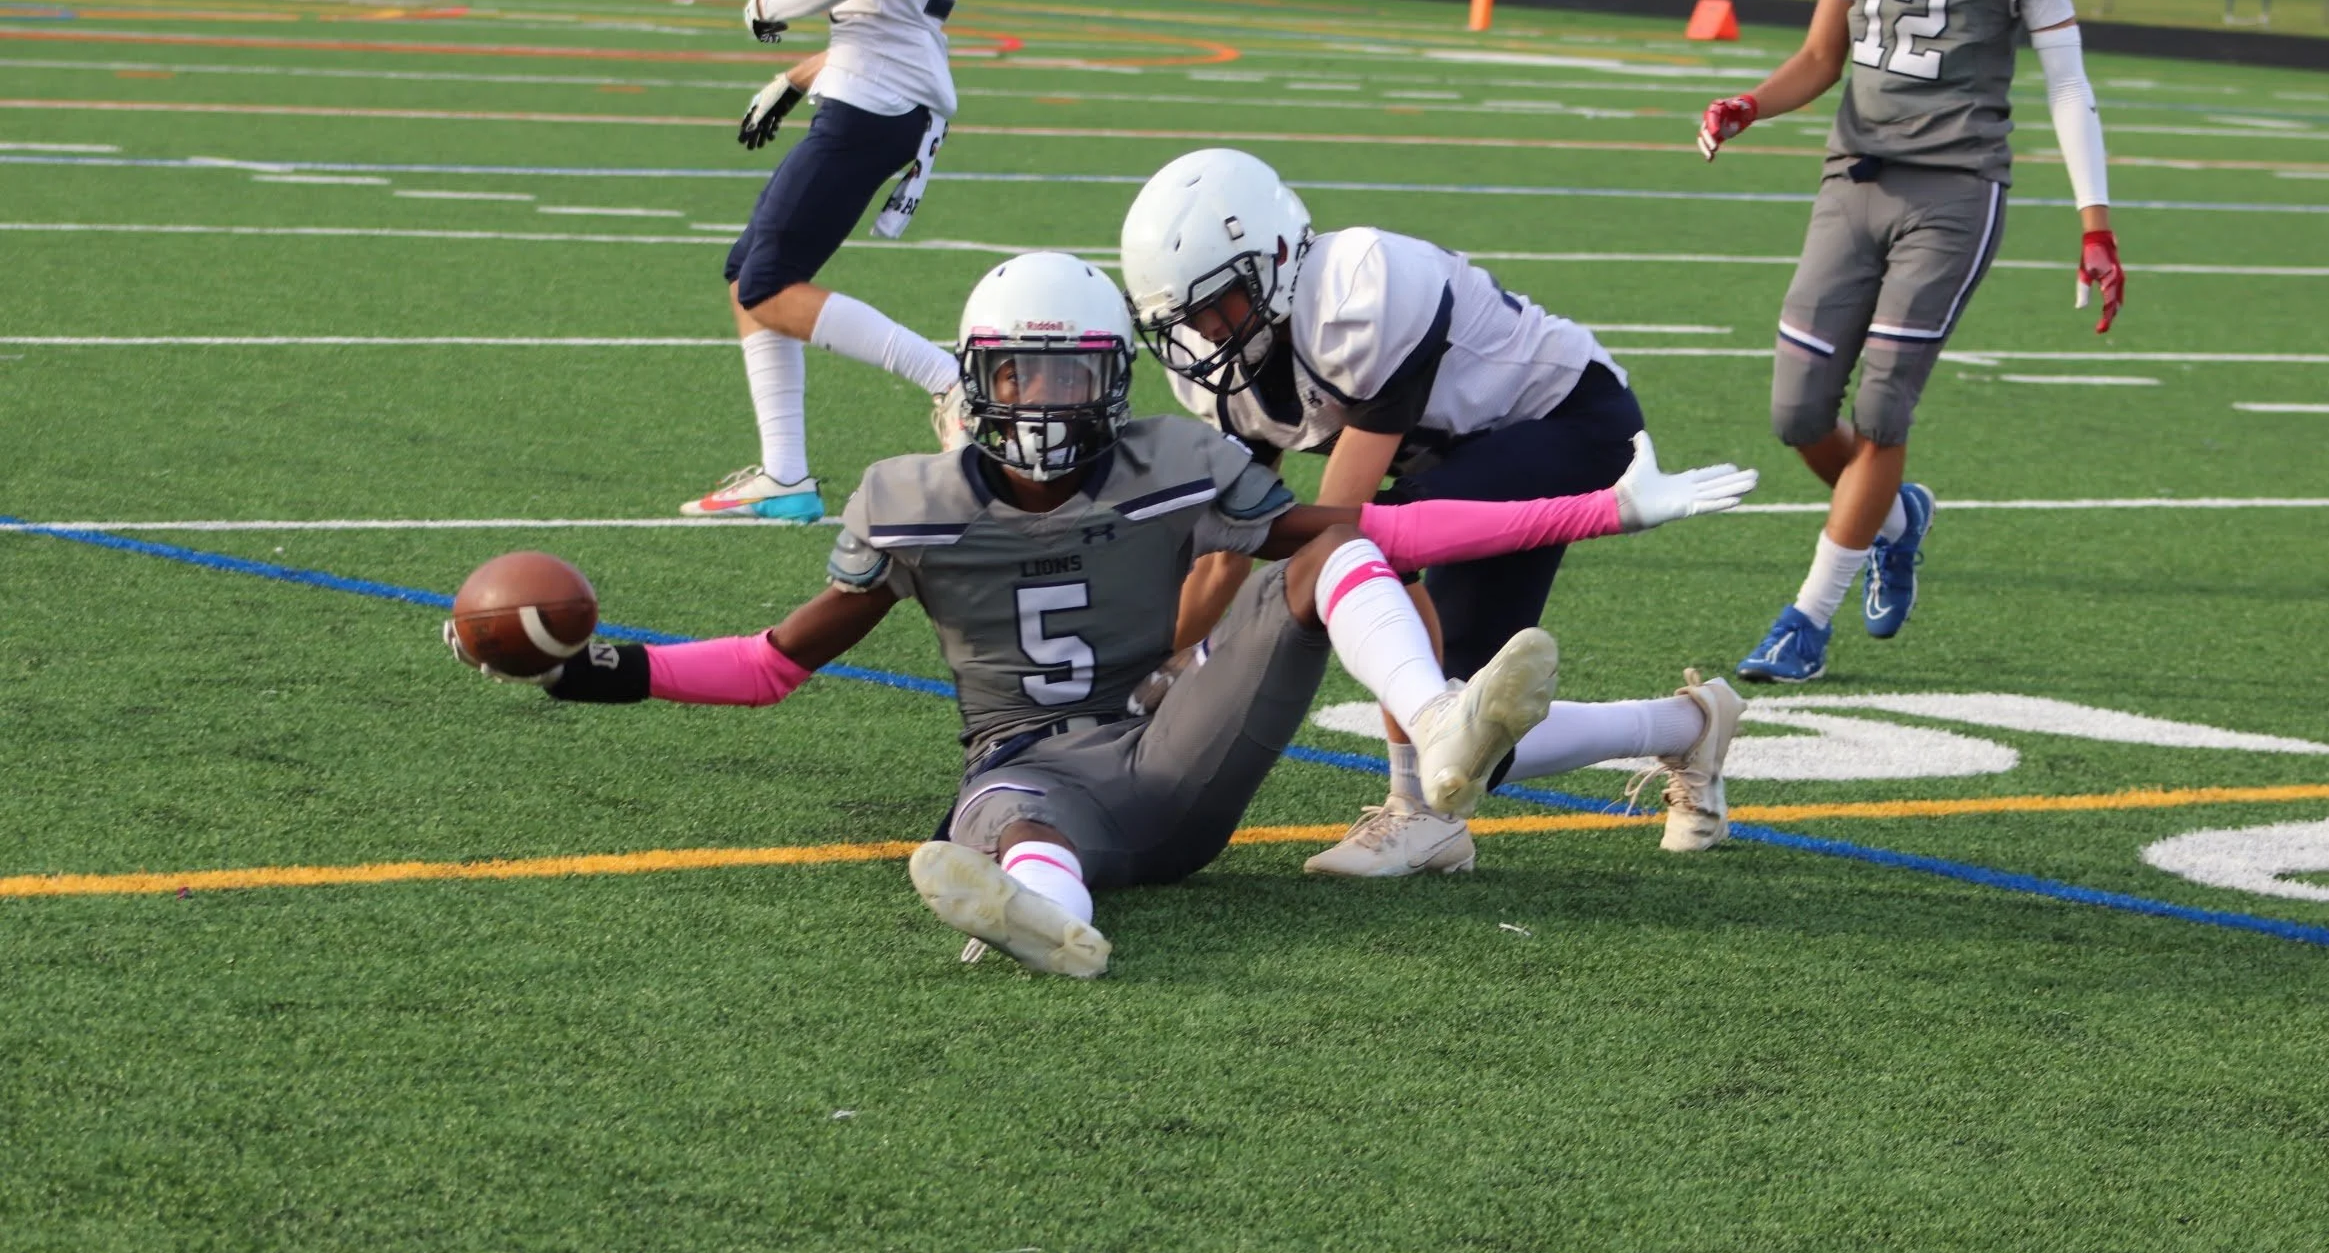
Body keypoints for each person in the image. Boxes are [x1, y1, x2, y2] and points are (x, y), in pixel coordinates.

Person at [450, 254, 1757, 977]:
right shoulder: (909, 503)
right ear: (974, 380)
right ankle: (1048, 923)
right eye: (1017, 373)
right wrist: (599, 671)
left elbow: (1386, 530)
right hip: (1040, 774)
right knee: (1011, 817)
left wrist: (1597, 510)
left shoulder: (1164, 469)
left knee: (1317, 558)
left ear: (1110, 380)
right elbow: (774, 663)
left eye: (1061, 375)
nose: (1037, 399)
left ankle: (1441, 723)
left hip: (1177, 744)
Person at [1117, 148, 1756, 880]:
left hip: (1567, 425)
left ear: (1281, 254)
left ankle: (1418, 816)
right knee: (1470, 727)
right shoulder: (1227, 365)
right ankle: (1689, 726)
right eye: (1186, 316)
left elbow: (1349, 521)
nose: (1203, 330)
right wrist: (1158, 657)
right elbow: (1231, 538)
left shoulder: (1360, 287)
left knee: (1379, 573)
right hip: (1453, 470)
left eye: (1217, 303)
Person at [1697, 0, 2125, 683]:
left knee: (1883, 411)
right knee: (1797, 413)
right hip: (1852, 179)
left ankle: (1805, 622)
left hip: (1956, 189)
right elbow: (1823, 58)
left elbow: (2066, 83)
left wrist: (2093, 221)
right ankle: (1897, 519)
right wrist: (1751, 105)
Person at [681, 0, 988, 523]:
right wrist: (797, 75)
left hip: (874, 100)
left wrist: (766, 3)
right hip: (879, 87)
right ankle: (785, 476)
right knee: (749, 272)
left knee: (765, 285)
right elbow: (887, 3)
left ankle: (953, 380)